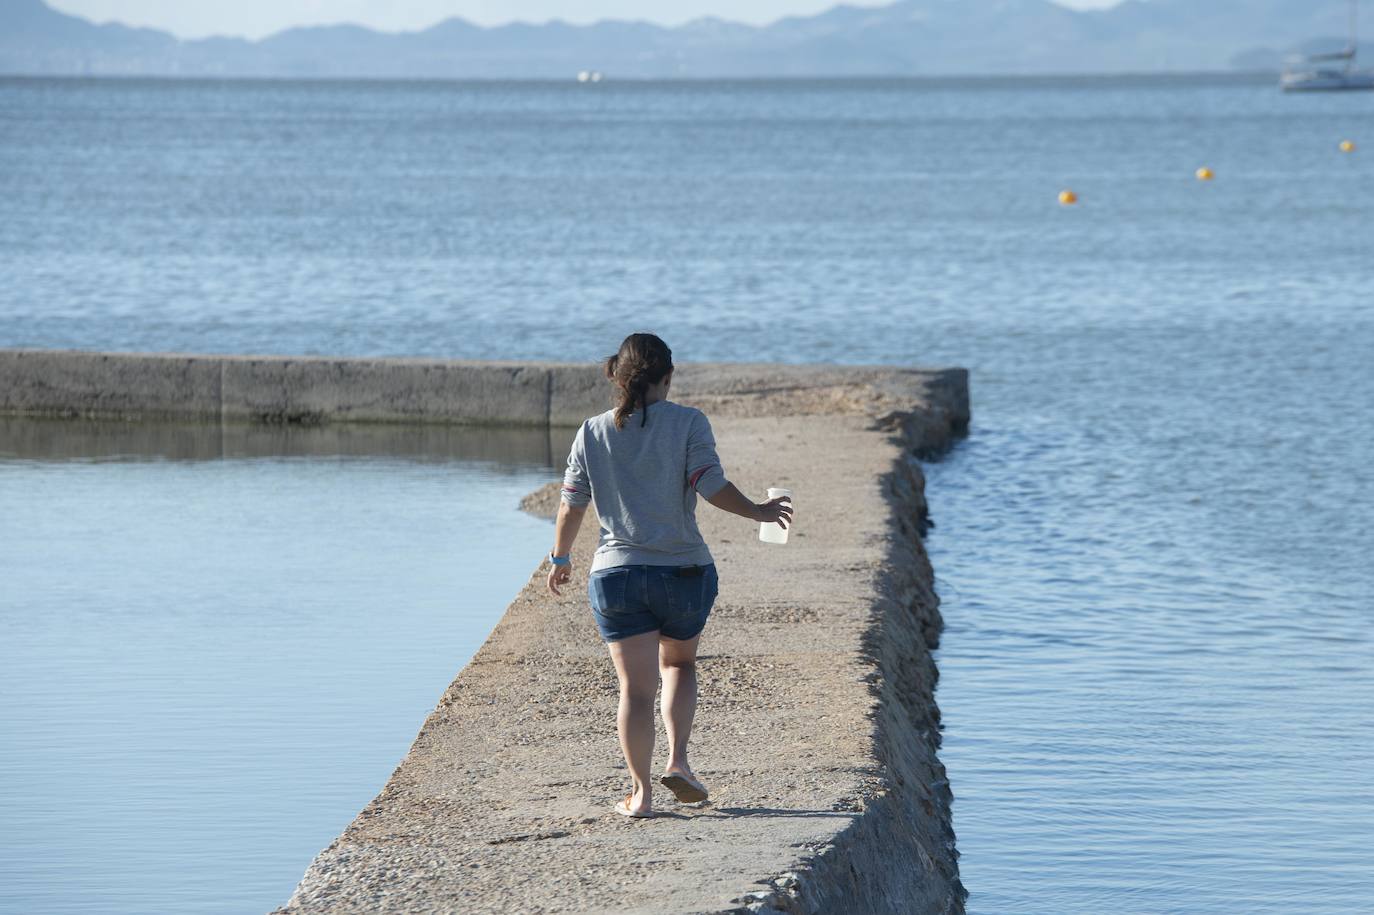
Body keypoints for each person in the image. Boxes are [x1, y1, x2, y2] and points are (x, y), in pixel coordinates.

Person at [545, 332, 793, 819]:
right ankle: (678, 761)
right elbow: (710, 485)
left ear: (617, 376)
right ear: (667, 377)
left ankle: (640, 795)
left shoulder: (591, 431)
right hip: (683, 572)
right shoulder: (688, 422)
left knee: (634, 690)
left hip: (616, 576)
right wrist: (760, 513)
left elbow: (572, 502)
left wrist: (560, 558)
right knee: (678, 666)